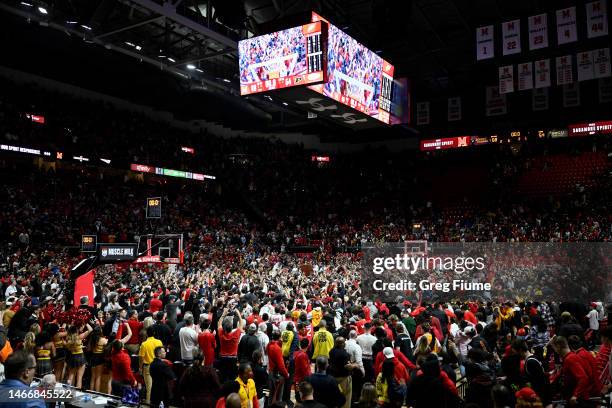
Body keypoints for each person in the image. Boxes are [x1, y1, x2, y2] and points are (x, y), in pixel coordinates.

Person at [550, 336, 593, 406]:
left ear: (558, 346)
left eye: (554, 348)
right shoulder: (568, 357)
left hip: (577, 400)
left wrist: (575, 395)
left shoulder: (570, 359)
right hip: (573, 397)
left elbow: (583, 378)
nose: (554, 351)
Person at [328, 337, 358, 408]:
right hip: (343, 378)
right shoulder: (344, 354)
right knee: (346, 397)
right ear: (342, 344)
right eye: (344, 342)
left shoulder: (331, 351)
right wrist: (355, 365)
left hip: (333, 378)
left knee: (335, 396)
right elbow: (347, 366)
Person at [139, 326, 164, 403]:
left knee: (149, 388)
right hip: (159, 366)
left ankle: (148, 404)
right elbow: (163, 354)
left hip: (148, 367)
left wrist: (140, 368)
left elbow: (141, 358)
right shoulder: (159, 342)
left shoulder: (144, 344)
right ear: (154, 333)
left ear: (147, 334)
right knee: (158, 387)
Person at [218, 308, 243, 382]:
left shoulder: (221, 334)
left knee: (223, 376)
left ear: (224, 329)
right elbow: (241, 324)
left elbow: (219, 324)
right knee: (232, 377)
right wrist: (238, 314)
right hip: (233, 358)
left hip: (223, 358)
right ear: (232, 328)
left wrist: (224, 314)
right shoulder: (235, 334)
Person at [64, 323, 92, 389]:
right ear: (76, 331)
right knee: (79, 378)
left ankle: (69, 391)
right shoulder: (79, 337)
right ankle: (77, 394)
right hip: (80, 357)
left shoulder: (68, 339)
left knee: (71, 376)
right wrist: (85, 322)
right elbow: (90, 330)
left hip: (72, 357)